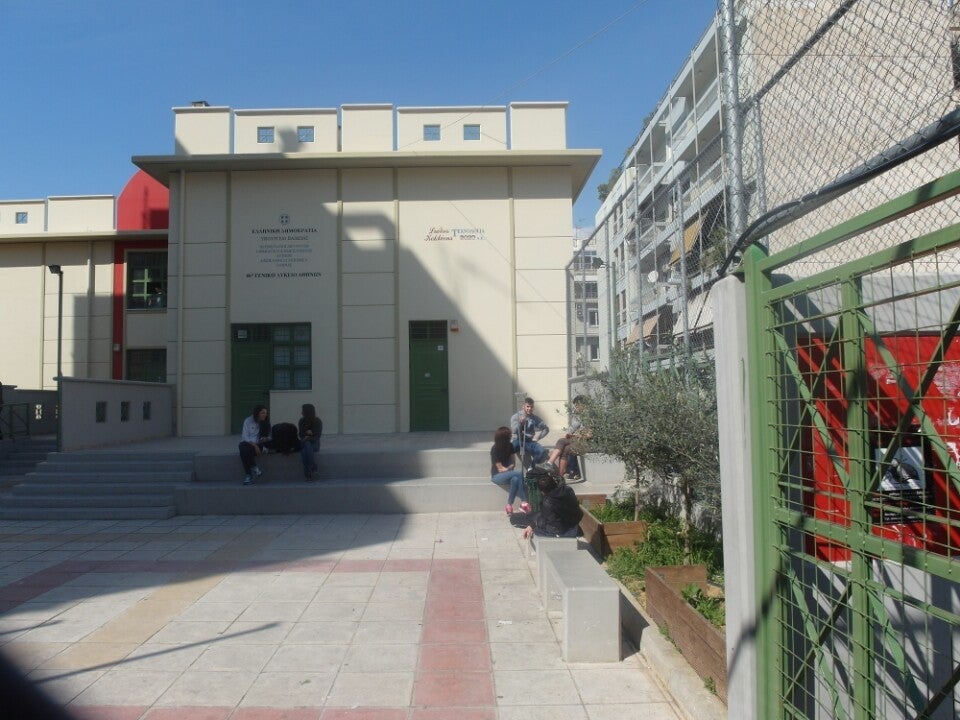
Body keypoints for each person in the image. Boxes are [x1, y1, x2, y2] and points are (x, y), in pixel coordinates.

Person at [521, 470, 583, 539]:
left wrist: (532, 525)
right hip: (573, 525)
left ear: (542, 491)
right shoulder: (568, 490)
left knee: (537, 529)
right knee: (538, 516)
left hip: (561, 531)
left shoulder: (548, 502)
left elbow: (550, 523)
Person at [490, 426, 531, 515]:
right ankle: (524, 501)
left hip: (508, 474)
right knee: (519, 473)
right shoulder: (495, 449)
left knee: (515, 479)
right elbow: (500, 469)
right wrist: (509, 469)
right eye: (509, 435)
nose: (511, 436)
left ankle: (509, 505)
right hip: (497, 476)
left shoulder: (510, 446)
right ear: (504, 437)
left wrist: (508, 469)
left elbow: (513, 463)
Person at [548, 395, 589, 480]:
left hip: (587, 442)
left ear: (582, 405)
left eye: (576, 405)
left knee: (566, 448)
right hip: (578, 439)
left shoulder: (590, 417)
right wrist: (568, 434)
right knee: (561, 441)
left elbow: (588, 435)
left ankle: (561, 475)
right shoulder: (578, 415)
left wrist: (574, 436)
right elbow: (573, 427)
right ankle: (550, 465)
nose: (575, 408)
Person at [510, 396, 549, 468]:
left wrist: (538, 437)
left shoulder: (534, 418)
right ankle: (507, 470)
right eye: (528, 406)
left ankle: (531, 468)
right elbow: (514, 430)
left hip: (529, 441)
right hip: (518, 440)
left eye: (531, 407)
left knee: (541, 451)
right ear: (523, 406)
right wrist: (520, 423)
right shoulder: (516, 416)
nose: (529, 408)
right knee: (507, 450)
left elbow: (546, 429)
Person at [238, 404, 271, 485]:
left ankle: (249, 474)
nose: (265, 415)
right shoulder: (248, 421)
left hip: (260, 444)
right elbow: (245, 436)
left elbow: (270, 436)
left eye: (266, 413)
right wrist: (254, 445)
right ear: (257, 413)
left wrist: (266, 438)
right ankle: (253, 467)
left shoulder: (266, 422)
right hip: (250, 444)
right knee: (243, 447)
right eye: (263, 413)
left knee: (243, 450)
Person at [299, 403, 323, 481]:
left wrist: (308, 437)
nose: (301, 412)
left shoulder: (318, 421)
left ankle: (308, 474)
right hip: (304, 443)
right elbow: (300, 434)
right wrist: (307, 434)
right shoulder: (301, 421)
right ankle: (313, 466)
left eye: (303, 410)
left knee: (304, 450)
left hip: (315, 444)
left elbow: (317, 436)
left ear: (307, 411)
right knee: (306, 445)